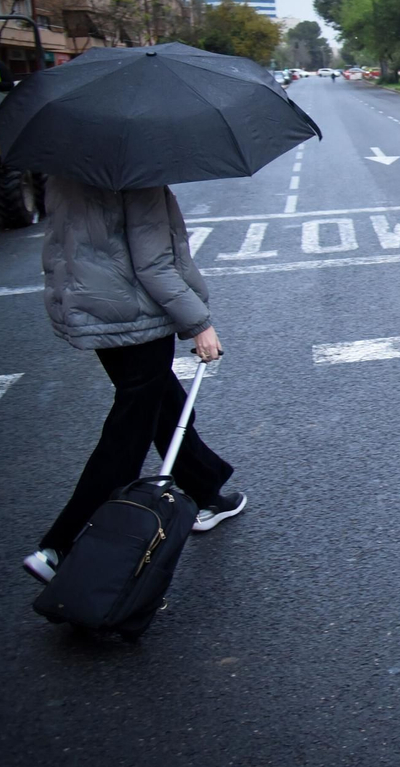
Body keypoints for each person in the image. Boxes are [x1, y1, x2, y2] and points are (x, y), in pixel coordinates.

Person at [23, 179, 244, 584]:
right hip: (136, 316)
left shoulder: (64, 169)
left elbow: (59, 245)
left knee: (163, 404)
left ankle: (206, 488)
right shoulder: (137, 177)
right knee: (129, 431)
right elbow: (154, 263)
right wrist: (200, 324)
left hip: (94, 307)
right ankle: (60, 544)